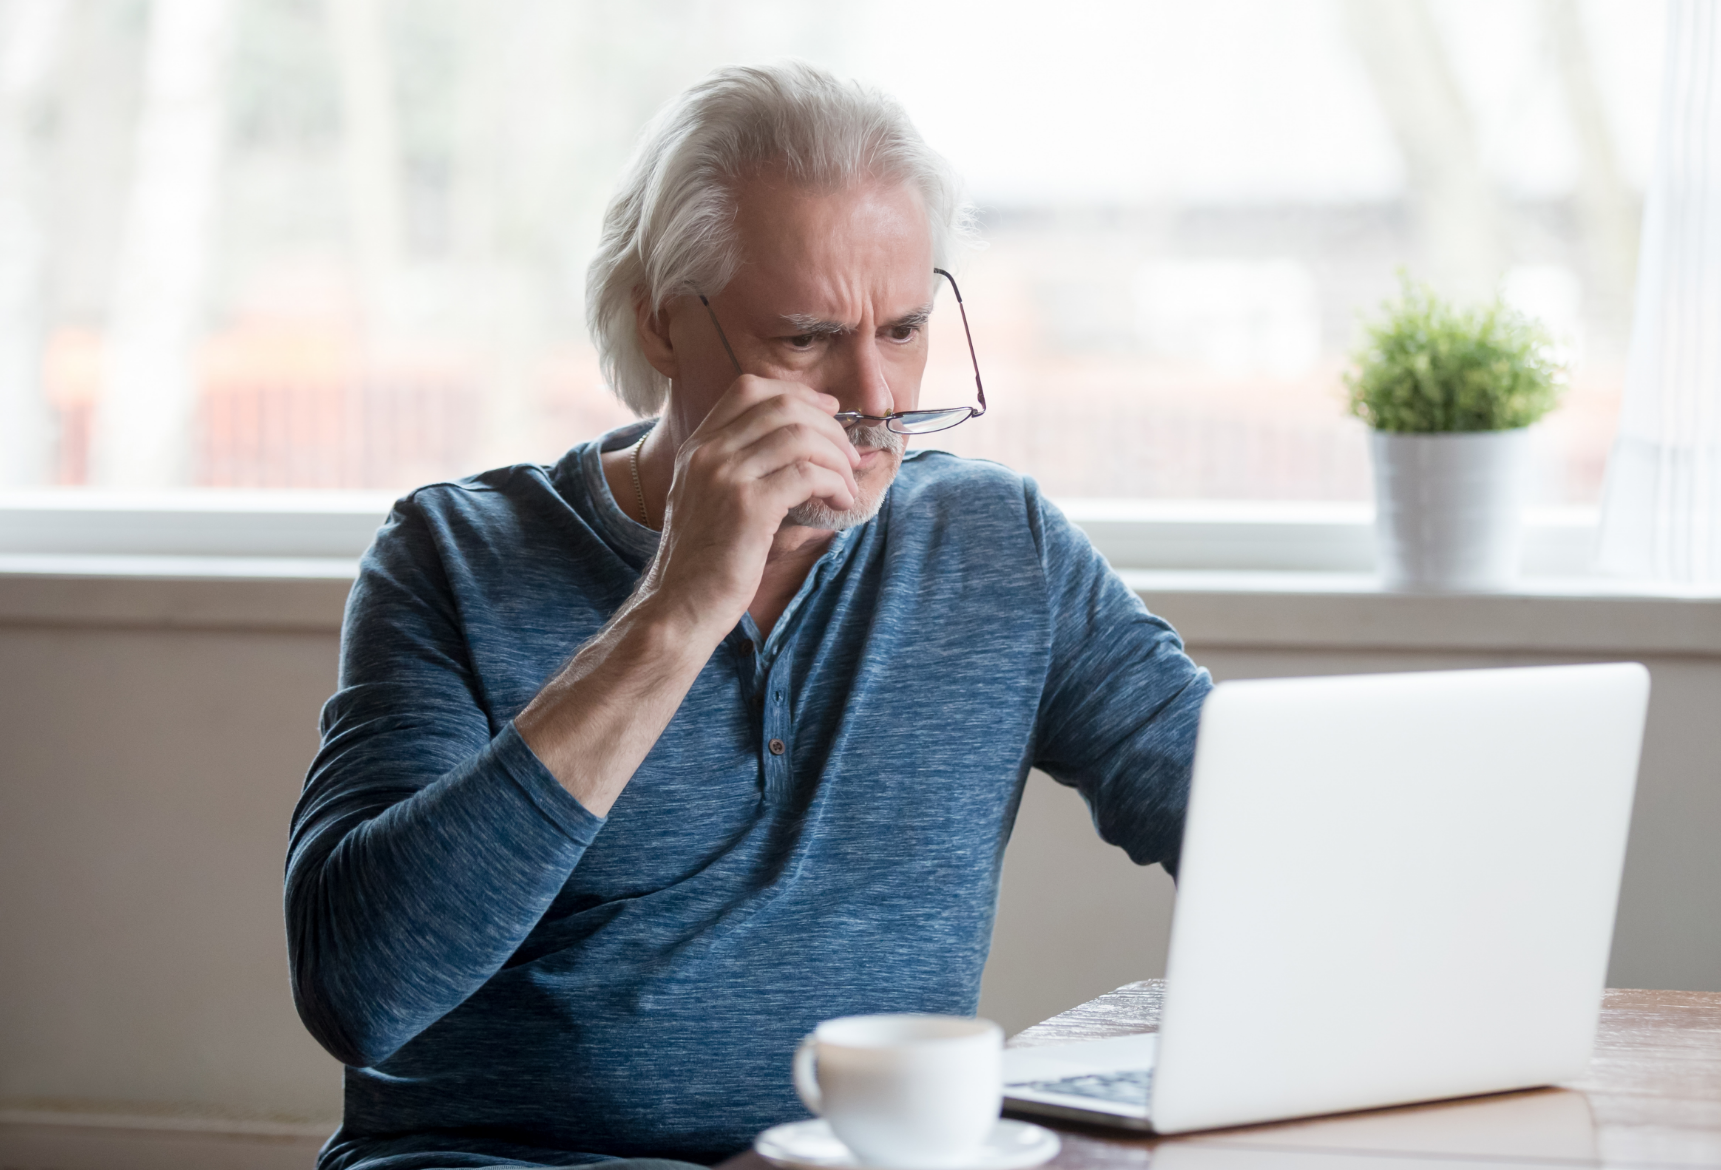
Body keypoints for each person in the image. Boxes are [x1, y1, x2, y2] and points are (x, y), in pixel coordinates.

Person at [286, 61, 1211, 1170]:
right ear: (663, 325)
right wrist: (677, 609)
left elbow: (1249, 823)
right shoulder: (451, 555)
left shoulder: (996, 547)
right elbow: (360, 989)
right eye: (808, 337)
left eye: (906, 327)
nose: (876, 400)